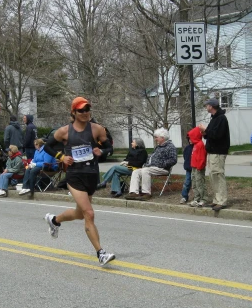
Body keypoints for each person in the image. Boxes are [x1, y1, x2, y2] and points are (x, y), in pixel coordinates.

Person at [43, 96, 116, 266]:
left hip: (91, 174)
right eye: (81, 110)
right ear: (74, 112)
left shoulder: (97, 129)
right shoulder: (64, 131)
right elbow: (47, 146)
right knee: (89, 214)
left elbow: (109, 148)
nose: (85, 113)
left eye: (87, 109)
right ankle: (101, 253)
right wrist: (61, 157)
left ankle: (54, 220)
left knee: (79, 214)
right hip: (74, 175)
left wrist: (102, 152)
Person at [125, 129, 177, 201]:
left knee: (146, 171)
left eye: (156, 137)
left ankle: (146, 193)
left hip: (162, 169)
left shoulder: (170, 147)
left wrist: (161, 164)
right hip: (151, 167)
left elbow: (173, 160)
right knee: (136, 171)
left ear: (162, 138)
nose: (155, 139)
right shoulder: (158, 147)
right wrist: (146, 164)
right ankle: (134, 192)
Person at [199, 98, 230, 211]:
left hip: (218, 151)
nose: (206, 107)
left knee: (218, 174)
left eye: (207, 105)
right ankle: (216, 199)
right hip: (212, 151)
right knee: (213, 175)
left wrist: (206, 130)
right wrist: (205, 133)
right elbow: (211, 135)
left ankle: (222, 200)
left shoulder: (221, 118)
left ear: (211, 106)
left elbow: (218, 135)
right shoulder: (214, 118)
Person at [186, 126, 207, 207]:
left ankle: (203, 198)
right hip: (194, 167)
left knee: (200, 183)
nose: (189, 140)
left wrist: (199, 167)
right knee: (194, 183)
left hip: (199, 168)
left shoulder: (200, 145)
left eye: (191, 138)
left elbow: (201, 157)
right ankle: (196, 198)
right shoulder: (195, 145)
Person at [180, 136, 193, 204]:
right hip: (188, 168)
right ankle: (184, 196)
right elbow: (185, 156)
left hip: (196, 168)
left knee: (196, 183)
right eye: (189, 139)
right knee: (187, 182)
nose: (190, 140)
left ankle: (198, 197)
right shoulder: (187, 148)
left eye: (192, 138)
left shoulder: (196, 147)